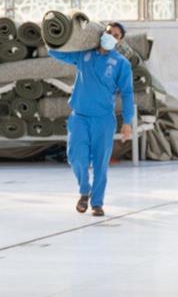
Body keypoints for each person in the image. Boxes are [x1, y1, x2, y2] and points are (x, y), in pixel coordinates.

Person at [48, 22, 135, 217]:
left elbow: (128, 93)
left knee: (100, 163)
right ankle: (84, 190)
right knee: (76, 157)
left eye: (116, 35)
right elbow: (57, 53)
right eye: (108, 32)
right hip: (79, 116)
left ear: (120, 40)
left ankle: (97, 203)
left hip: (103, 120)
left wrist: (128, 122)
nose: (111, 36)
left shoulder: (121, 64)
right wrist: (53, 36)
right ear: (101, 33)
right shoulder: (84, 55)